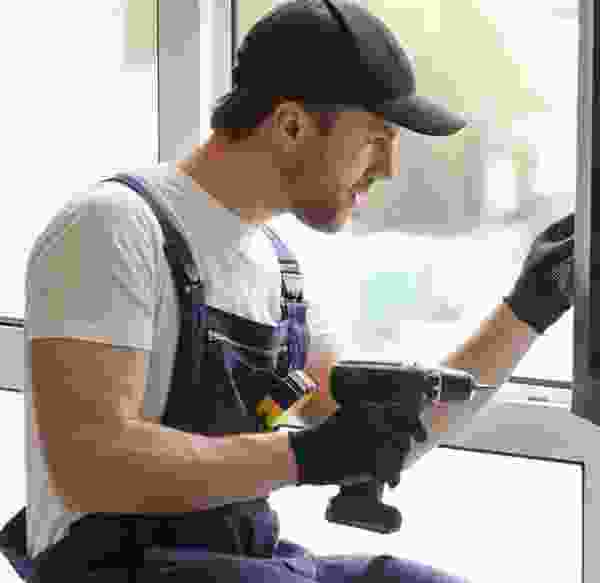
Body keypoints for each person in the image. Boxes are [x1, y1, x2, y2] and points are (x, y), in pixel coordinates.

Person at [18, 1, 574, 582]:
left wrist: (527, 311)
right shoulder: (114, 227)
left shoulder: (277, 271)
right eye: (377, 139)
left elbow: (381, 441)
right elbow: (91, 466)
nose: (389, 167)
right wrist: (302, 457)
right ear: (290, 126)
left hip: (243, 563)